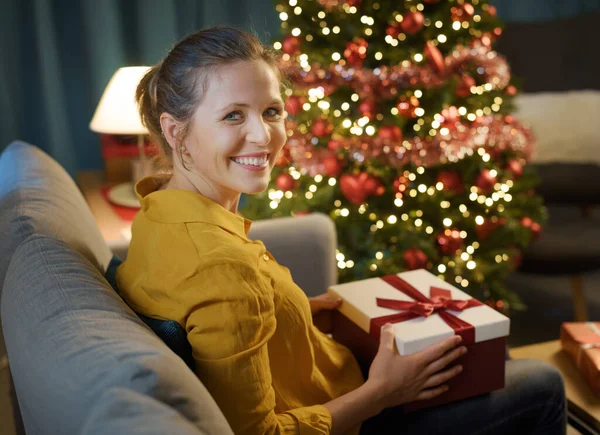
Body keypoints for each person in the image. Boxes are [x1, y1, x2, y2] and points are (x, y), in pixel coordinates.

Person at [116, 26, 566, 435]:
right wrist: (386, 392)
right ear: (175, 132)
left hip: (335, 378)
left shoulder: (159, 210)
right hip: (355, 415)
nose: (264, 136)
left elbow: (221, 322)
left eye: (271, 111)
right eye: (233, 116)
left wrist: (300, 311)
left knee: (481, 351)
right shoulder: (222, 265)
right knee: (543, 381)